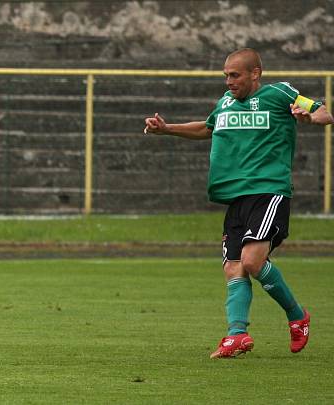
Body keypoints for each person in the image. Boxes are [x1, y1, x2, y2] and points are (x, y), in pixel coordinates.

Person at [143, 48, 333, 358]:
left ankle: (298, 316)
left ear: (255, 73)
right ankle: (236, 335)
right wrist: (166, 129)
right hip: (236, 196)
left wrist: (309, 116)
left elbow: (325, 112)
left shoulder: (280, 93)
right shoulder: (225, 102)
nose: (229, 81)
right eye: (226, 76)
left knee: (252, 261)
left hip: (269, 190)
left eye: (235, 75)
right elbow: (207, 128)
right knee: (233, 267)